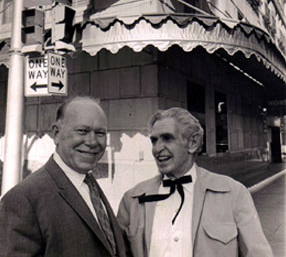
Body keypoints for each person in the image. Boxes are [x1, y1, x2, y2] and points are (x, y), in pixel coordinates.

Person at [117, 107, 273, 257]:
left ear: (193, 143)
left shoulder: (233, 194)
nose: (157, 149)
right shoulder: (132, 200)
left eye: (167, 138)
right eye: (154, 140)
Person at [0, 96, 126, 257]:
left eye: (100, 133)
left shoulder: (90, 185)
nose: (92, 141)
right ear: (56, 133)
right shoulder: (22, 200)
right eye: (82, 131)